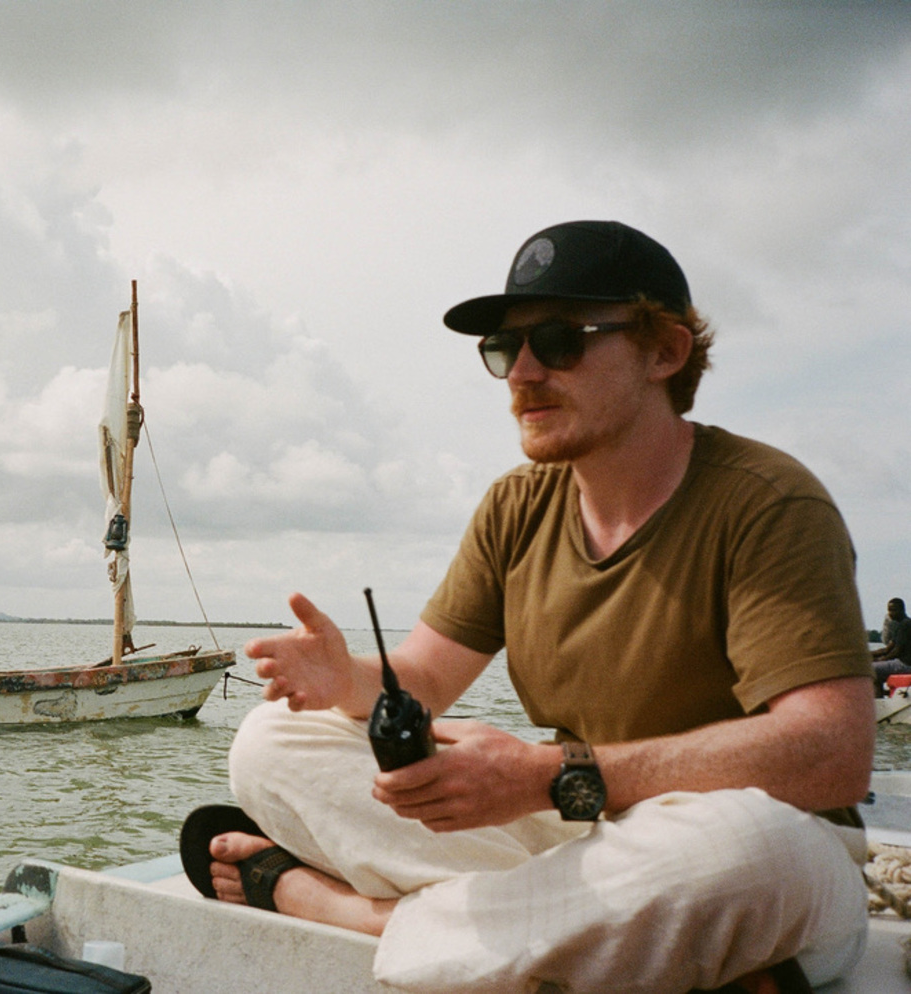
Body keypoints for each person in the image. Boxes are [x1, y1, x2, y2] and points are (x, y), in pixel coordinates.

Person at [193, 221, 873, 993]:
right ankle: (570, 932)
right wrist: (343, 677)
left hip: (756, 851)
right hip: (586, 836)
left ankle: (353, 913)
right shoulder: (518, 505)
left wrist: (550, 773)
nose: (522, 372)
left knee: (751, 847)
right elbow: (422, 678)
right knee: (271, 741)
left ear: (665, 352)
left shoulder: (768, 503)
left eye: (559, 339)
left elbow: (832, 754)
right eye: (502, 349)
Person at [872, 597, 911, 696]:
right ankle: (883, 694)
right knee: (874, 664)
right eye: (889, 610)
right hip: (902, 662)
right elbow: (887, 649)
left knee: (871, 669)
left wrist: (880, 660)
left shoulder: (906, 625)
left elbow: (896, 652)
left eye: (893, 610)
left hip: (906, 664)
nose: (890, 613)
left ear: (902, 610)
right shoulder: (901, 625)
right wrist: (867, 654)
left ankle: (880, 703)